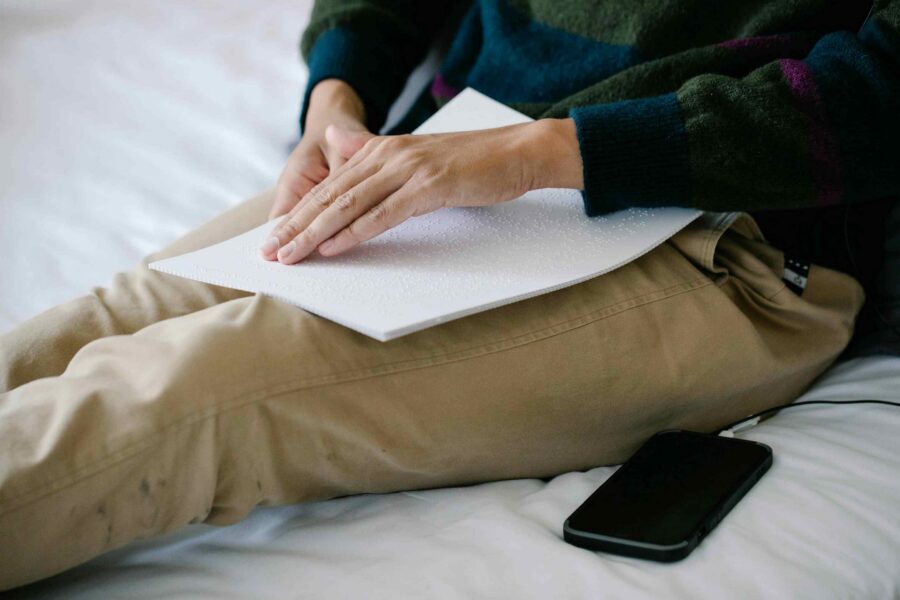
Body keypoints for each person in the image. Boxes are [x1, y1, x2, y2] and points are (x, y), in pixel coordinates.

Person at [1, 0, 897, 590]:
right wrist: (336, 98)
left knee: (188, 394)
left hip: (728, 229)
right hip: (452, 151)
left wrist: (535, 157)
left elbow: (881, 90)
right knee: (95, 325)